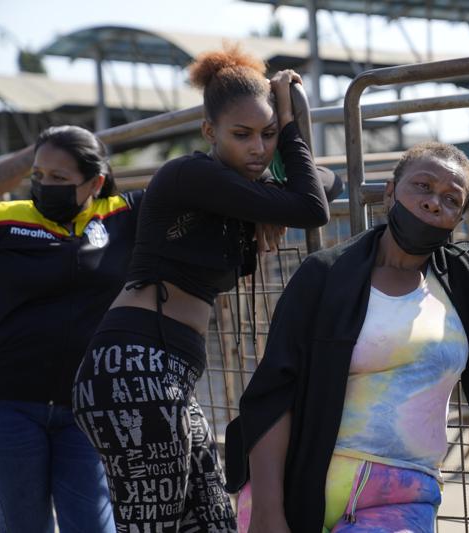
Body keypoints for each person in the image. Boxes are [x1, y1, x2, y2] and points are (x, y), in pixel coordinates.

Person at [225, 142, 469, 532]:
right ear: (390, 192)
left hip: (402, 493)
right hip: (301, 481)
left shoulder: (463, 276)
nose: (433, 203)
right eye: (423, 187)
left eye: (451, 199)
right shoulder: (323, 274)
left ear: (457, 218)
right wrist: (268, 510)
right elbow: (275, 395)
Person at [71, 45, 330, 532]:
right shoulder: (189, 174)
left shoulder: (237, 190)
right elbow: (312, 208)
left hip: (166, 375)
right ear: (209, 131)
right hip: (132, 370)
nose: (258, 148)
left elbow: (322, 187)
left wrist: (268, 199)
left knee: (213, 522)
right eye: (242, 135)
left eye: (269, 134)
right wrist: (292, 128)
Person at [0, 125, 138, 532]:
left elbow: (327, 184)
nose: (45, 186)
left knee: (93, 525)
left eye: (59, 178)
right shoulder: (9, 219)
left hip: (86, 408)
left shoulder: (121, 214)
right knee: (23, 526)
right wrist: (39, 150)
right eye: (39, 176)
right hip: (10, 406)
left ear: (95, 181)